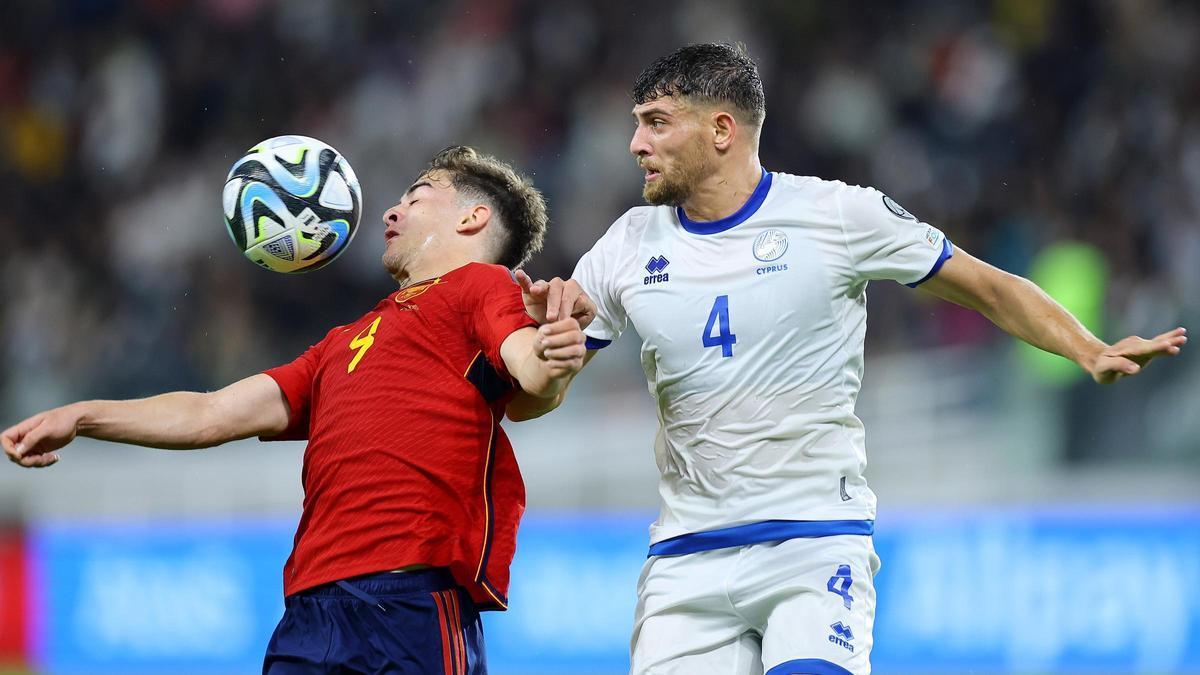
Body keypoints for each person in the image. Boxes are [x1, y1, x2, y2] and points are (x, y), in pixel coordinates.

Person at [514, 44, 1187, 675]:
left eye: (657, 123)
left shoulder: (836, 214)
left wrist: (1087, 347)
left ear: (721, 130)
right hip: (687, 559)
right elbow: (533, 398)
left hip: (813, 542)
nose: (636, 144)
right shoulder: (627, 244)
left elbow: (987, 286)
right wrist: (553, 357)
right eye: (638, 124)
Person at [3, 146, 587, 674]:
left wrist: (554, 354)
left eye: (416, 197)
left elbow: (529, 369)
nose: (390, 212)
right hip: (311, 612)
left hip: (410, 601)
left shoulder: (481, 286)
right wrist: (83, 416)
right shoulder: (342, 343)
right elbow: (209, 413)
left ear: (472, 219)